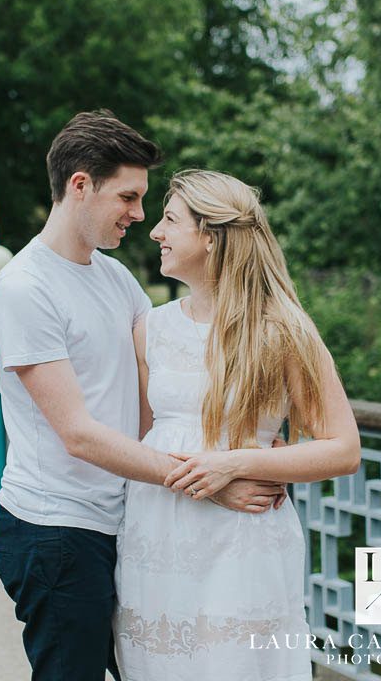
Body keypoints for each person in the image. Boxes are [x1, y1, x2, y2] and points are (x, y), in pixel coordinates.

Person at [0, 112, 285, 681]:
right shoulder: (26, 288)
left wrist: (259, 431)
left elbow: (168, 384)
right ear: (80, 185)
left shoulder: (115, 278)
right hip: (58, 531)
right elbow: (77, 433)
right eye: (128, 196)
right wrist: (207, 483)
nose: (140, 214)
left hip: (127, 519)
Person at [113, 170, 361, 680]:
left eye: (170, 220)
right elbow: (141, 441)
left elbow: (343, 449)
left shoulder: (283, 330)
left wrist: (237, 462)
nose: (156, 231)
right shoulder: (150, 330)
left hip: (242, 541)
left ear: (210, 237)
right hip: (157, 532)